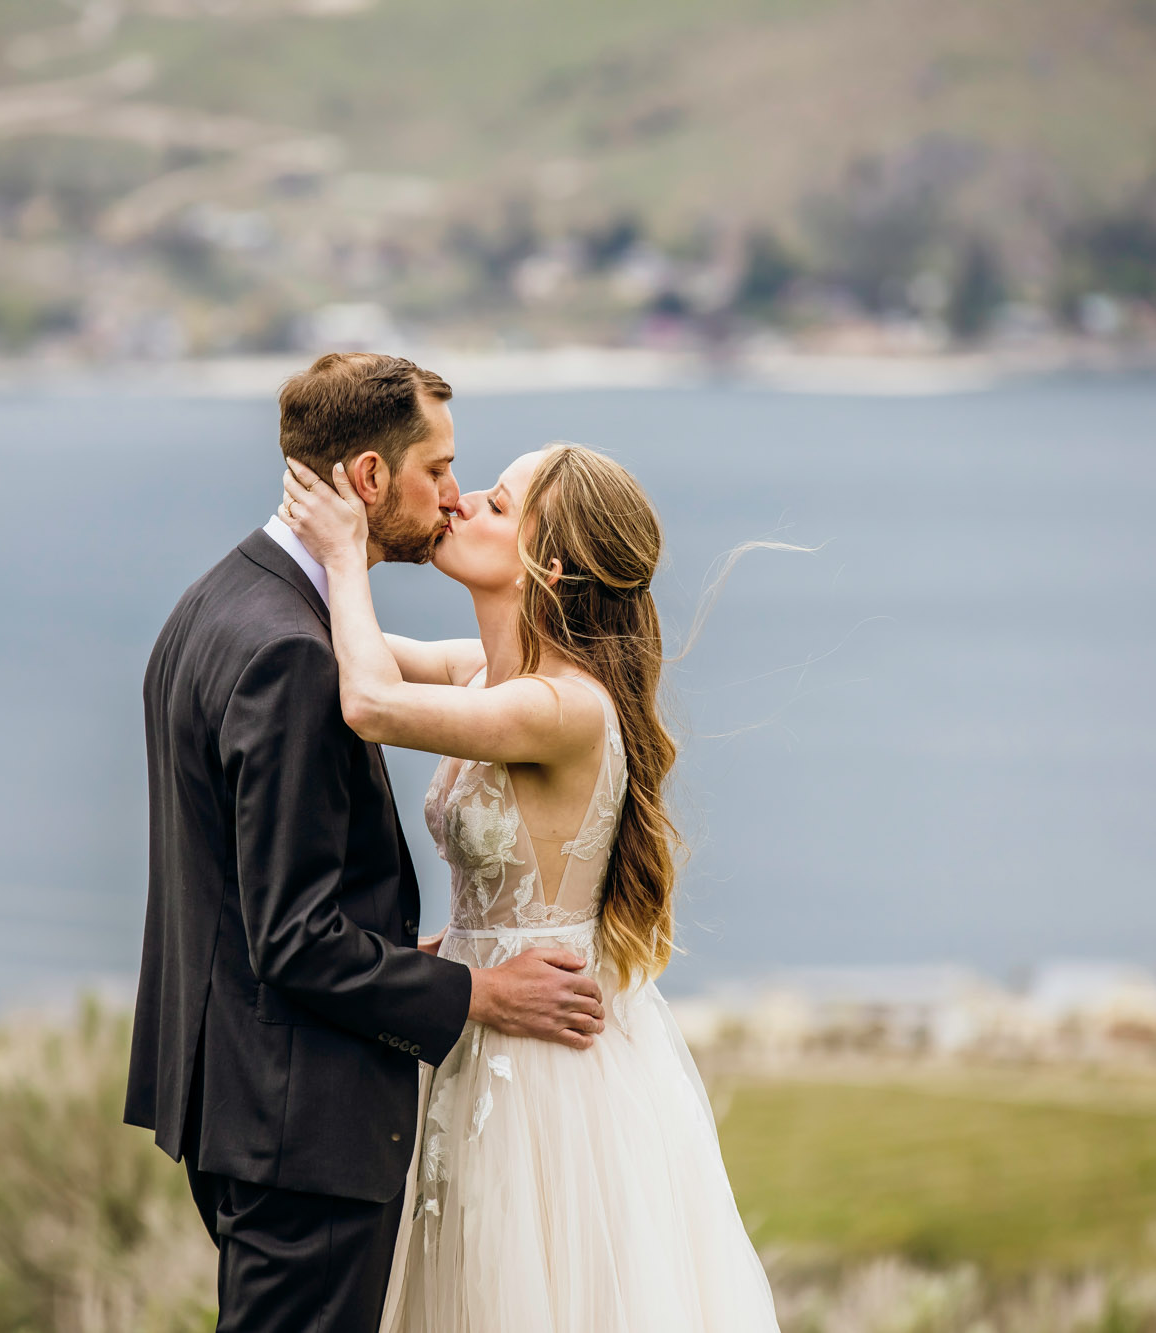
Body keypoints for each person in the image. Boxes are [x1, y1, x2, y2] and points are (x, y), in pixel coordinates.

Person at [124, 353, 608, 1333]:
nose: (453, 495)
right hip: (302, 1127)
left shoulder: (218, 604)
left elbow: (249, 896)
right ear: (369, 480)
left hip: (240, 1105)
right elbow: (293, 938)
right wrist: (480, 990)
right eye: (438, 470)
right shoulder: (293, 655)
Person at [278, 440, 783, 1331]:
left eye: (499, 504)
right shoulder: (485, 676)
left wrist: (346, 551)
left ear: (547, 564)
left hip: (544, 1071)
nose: (462, 503)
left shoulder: (564, 707)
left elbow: (369, 702)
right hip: (476, 1025)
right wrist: (307, 552)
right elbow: (336, 644)